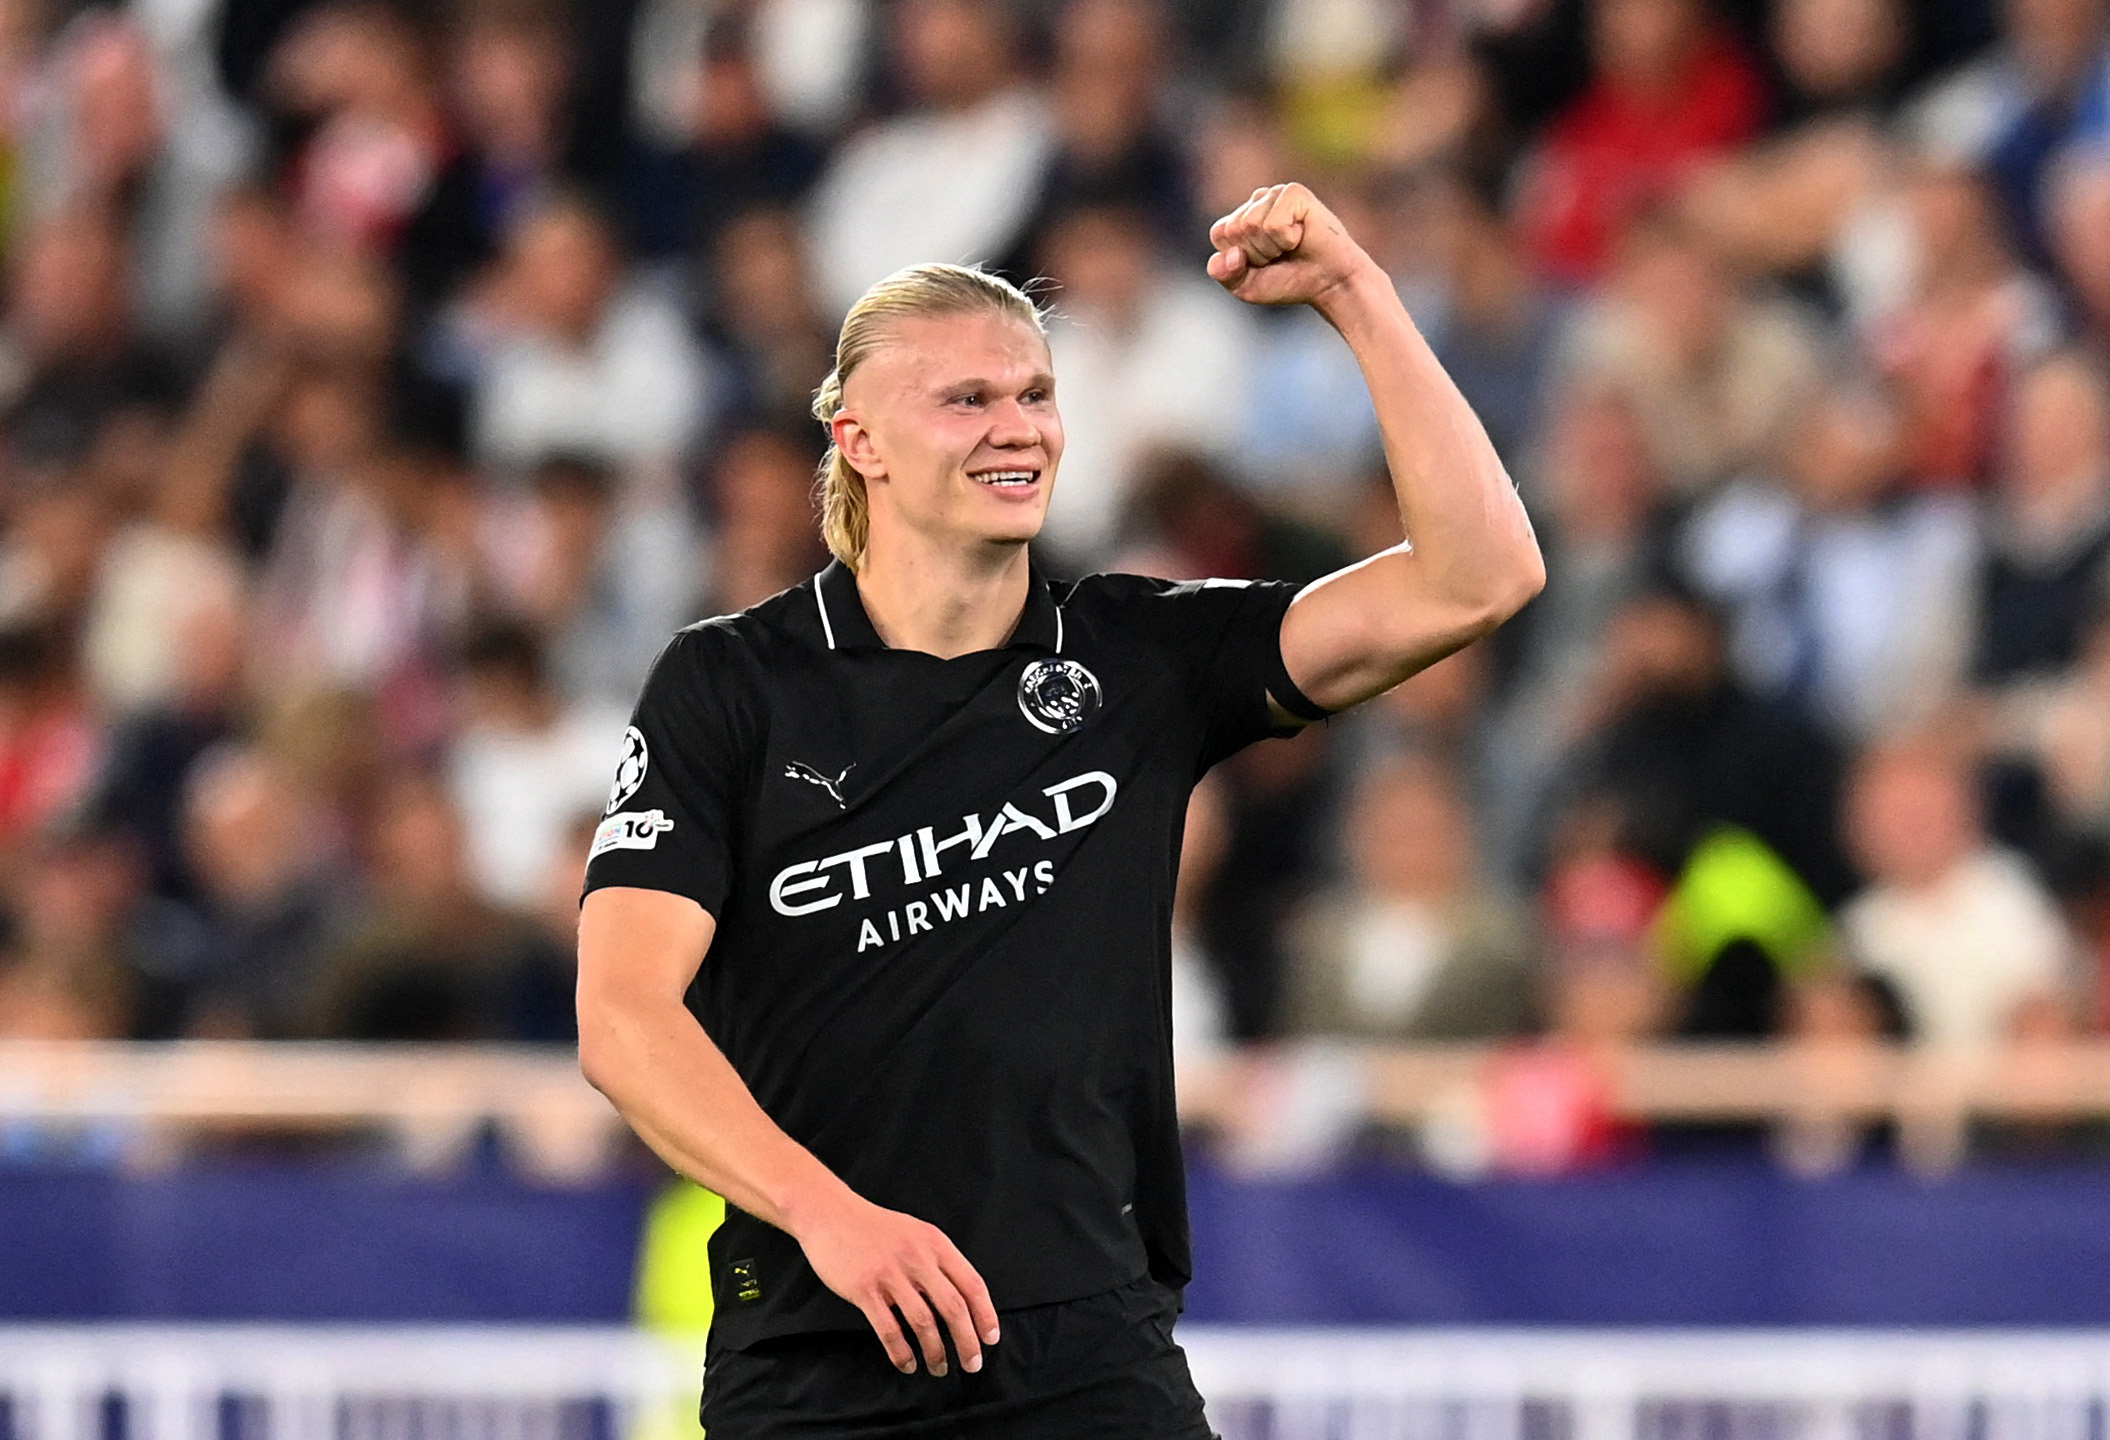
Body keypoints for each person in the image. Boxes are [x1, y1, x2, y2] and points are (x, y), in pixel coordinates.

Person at [574, 182, 1543, 1438]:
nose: (1015, 427)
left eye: (1034, 394)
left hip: (1093, 1346)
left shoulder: (1139, 655)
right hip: (821, 1352)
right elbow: (622, 1014)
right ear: (857, 439)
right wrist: (828, 1215)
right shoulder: (733, 685)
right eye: (966, 399)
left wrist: (1357, 295)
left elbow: (1482, 574)